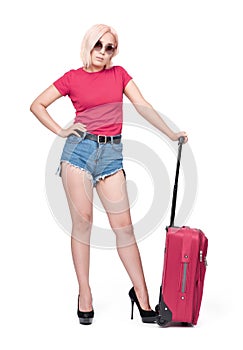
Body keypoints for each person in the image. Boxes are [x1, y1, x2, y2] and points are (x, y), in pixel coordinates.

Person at [30, 23, 188, 325]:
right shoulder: (72, 78)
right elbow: (37, 105)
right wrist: (62, 130)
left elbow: (142, 105)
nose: (103, 51)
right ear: (89, 46)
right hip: (78, 153)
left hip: (111, 156)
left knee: (125, 228)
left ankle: (141, 295)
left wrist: (170, 133)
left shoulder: (119, 75)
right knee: (84, 223)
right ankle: (85, 294)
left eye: (110, 47)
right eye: (99, 45)